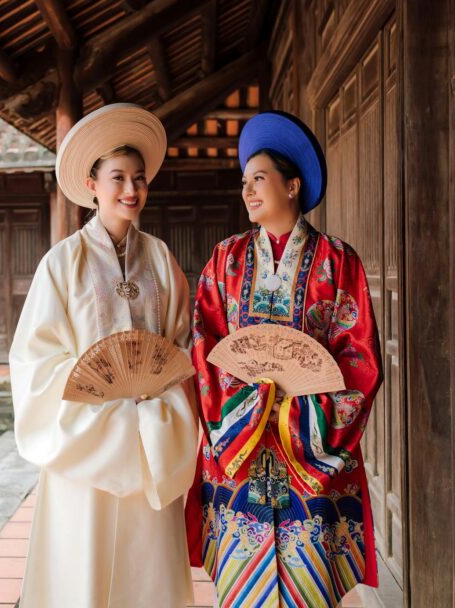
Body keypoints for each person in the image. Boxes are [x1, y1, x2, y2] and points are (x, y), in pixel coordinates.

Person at [185, 110, 383, 607]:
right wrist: (249, 407)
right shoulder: (224, 259)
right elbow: (205, 344)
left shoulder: (339, 260)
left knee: (309, 587)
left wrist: (297, 411)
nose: (248, 191)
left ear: (292, 186)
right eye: (244, 182)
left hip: (310, 448)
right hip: (240, 447)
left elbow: (357, 354)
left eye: (260, 179)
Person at [9, 103, 198, 608]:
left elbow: (181, 349)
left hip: (148, 443)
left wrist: (153, 405)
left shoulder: (160, 259)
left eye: (139, 177)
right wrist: (100, 396)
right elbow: (35, 361)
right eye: (118, 177)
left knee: (146, 571)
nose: (131, 189)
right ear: (92, 184)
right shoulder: (62, 263)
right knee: (81, 574)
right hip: (86, 447)